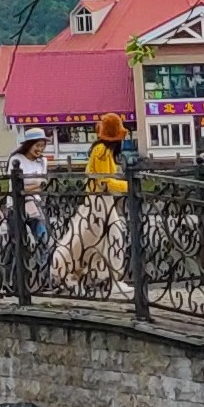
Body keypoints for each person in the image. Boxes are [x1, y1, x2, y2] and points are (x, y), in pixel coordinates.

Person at [52, 107, 130, 291]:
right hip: (100, 202)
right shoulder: (102, 150)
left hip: (99, 201)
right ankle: (103, 278)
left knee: (98, 240)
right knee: (107, 239)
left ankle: (97, 277)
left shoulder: (101, 149)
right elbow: (103, 181)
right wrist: (128, 186)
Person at [6, 133, 50, 252]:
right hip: (17, 204)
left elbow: (43, 184)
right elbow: (16, 187)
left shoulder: (42, 161)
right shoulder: (17, 159)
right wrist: (34, 186)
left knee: (42, 238)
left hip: (36, 203)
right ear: (29, 145)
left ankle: (43, 262)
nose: (40, 149)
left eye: (43, 146)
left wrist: (30, 187)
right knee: (17, 242)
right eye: (37, 145)